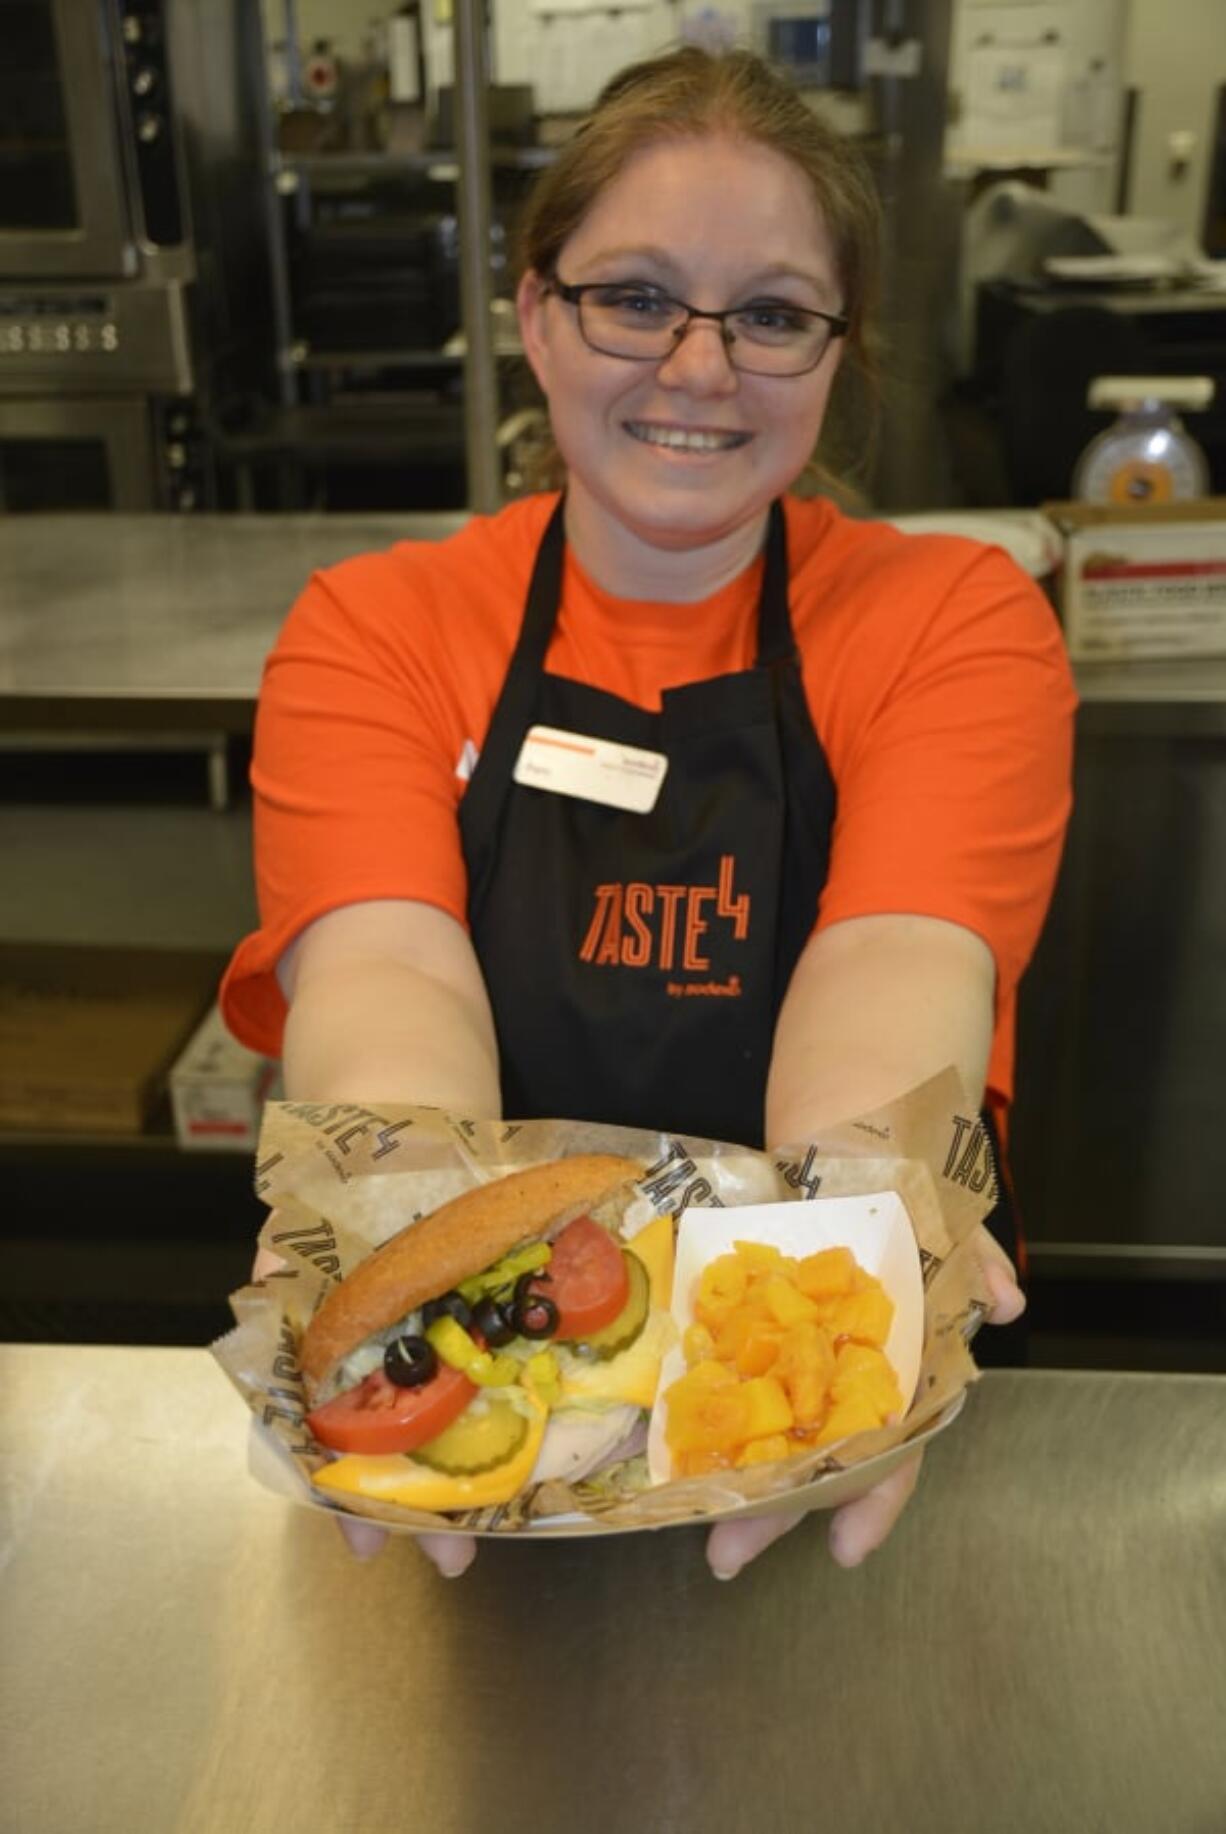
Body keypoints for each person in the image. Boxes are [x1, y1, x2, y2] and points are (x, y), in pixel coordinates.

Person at [222, 47, 1075, 1580]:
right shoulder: (378, 627)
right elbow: (385, 978)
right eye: (633, 298)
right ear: (536, 317)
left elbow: (891, 971)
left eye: (768, 314)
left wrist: (830, 1322)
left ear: (836, 350)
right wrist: (401, 1268)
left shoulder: (952, 616)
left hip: (822, 1421)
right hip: (500, 1377)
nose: (699, 369)